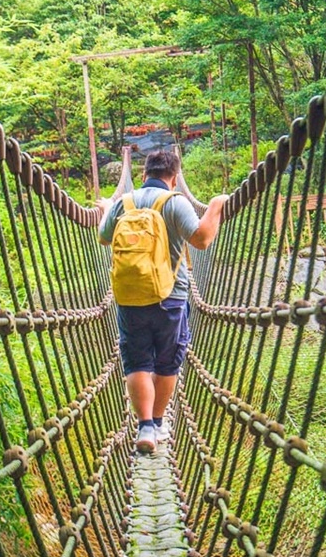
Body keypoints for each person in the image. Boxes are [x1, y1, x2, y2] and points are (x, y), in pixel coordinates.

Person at [98, 149, 228, 453]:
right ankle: (158, 422)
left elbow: (104, 237)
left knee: (137, 361)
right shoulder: (175, 202)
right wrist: (216, 206)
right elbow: (202, 239)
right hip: (171, 297)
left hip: (130, 296)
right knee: (168, 362)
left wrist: (107, 208)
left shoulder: (123, 203)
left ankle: (144, 427)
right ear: (174, 179)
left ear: (143, 176)